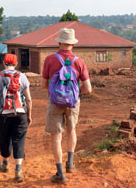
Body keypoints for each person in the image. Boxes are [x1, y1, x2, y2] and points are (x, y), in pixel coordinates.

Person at [42, 28, 92, 183]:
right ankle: (70, 163)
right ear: (73, 44)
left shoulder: (50, 60)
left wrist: (58, 93)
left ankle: (60, 173)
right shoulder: (79, 62)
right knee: (72, 131)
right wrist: (74, 93)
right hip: (73, 103)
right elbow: (88, 89)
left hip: (55, 102)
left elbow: (44, 85)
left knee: (56, 137)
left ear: (59, 43)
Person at [0, 54, 32, 183]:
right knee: (19, 139)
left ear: (3, 63)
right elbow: (28, 99)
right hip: (20, 113)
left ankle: (5, 164)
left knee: (4, 137)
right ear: (16, 63)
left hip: (3, 114)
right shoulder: (22, 76)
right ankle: (18, 170)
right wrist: (29, 115)